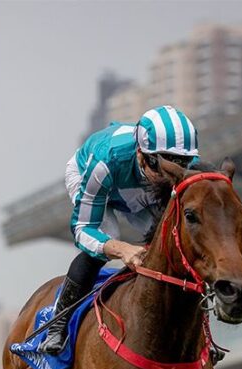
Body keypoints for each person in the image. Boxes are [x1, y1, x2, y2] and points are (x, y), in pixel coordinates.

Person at [40, 105, 201, 355]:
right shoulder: (106, 161)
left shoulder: (187, 164)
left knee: (173, 240)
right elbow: (83, 229)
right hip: (95, 177)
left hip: (137, 188)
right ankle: (58, 323)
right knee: (107, 239)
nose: (171, 176)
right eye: (162, 166)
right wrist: (122, 249)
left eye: (180, 166)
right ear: (141, 154)